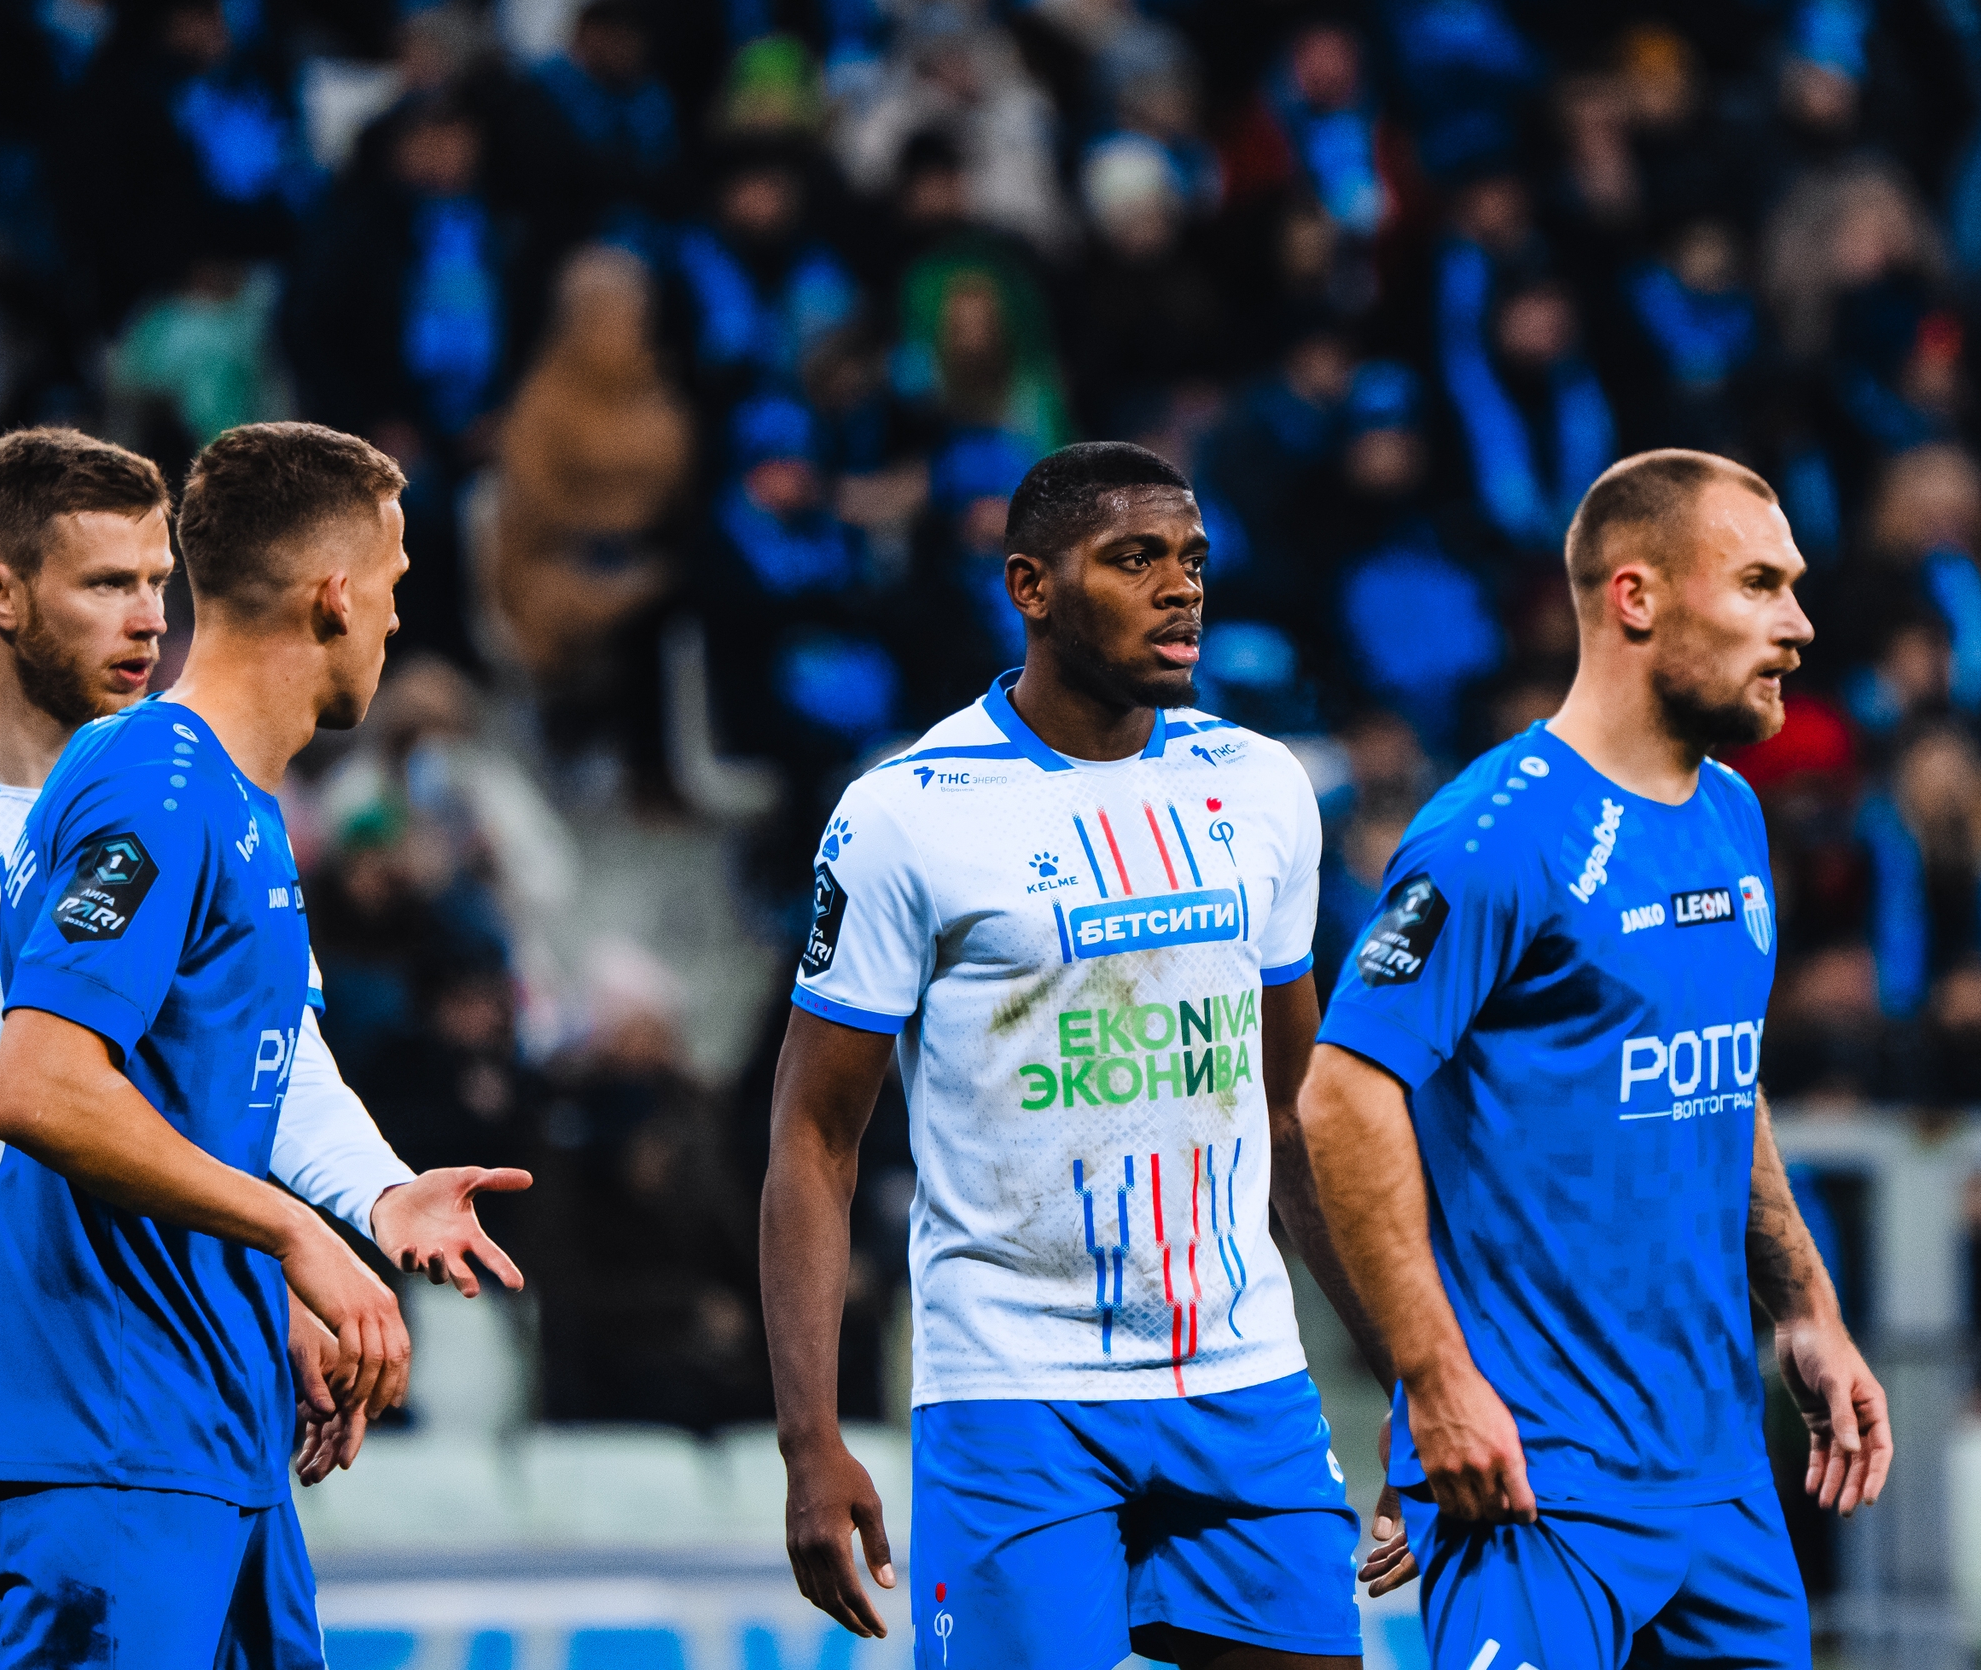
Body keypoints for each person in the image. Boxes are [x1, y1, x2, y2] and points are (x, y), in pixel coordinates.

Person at [761, 441, 1411, 1667]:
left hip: (1242, 1381)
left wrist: (1414, 1380)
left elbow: (1292, 1116)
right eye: (1134, 559)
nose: (1181, 590)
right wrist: (810, 1438)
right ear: (1031, 587)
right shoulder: (908, 813)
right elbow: (813, 1136)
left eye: (1193, 561)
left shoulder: (1261, 788)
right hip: (1013, 1394)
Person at [0, 428, 530, 1663]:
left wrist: (356, 1204)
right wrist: (289, 1233)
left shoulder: (211, 796)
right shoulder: (142, 789)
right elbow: (46, 1088)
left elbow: (262, 1067)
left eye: (158, 581)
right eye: (107, 584)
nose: (148, 617)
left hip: (155, 1398)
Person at [1298, 449, 1893, 1668]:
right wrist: (1432, 1381)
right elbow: (1341, 1097)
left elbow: (1719, 1076)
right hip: (1536, 1480)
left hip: (1721, 1480)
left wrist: (1806, 1306)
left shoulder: (1731, 814)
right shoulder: (1493, 835)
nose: (1797, 625)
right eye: (1759, 585)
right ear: (1636, 598)